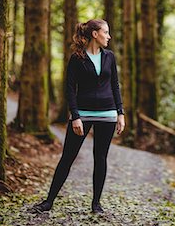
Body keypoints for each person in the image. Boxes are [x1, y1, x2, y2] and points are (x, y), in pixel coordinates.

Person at [33, 19, 125, 214]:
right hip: (82, 114)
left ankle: (96, 204)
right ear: (95, 34)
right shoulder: (77, 58)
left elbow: (115, 86)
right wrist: (75, 116)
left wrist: (120, 113)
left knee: (101, 157)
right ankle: (48, 201)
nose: (108, 36)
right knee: (68, 157)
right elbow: (69, 89)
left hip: (108, 114)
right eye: (105, 32)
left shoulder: (110, 57)